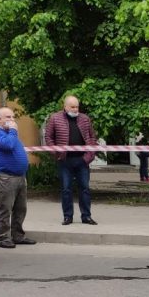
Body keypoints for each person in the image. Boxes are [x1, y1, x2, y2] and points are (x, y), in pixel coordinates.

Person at [44, 95, 99, 225]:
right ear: (65, 106)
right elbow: (48, 137)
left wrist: (89, 156)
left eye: (77, 107)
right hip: (65, 160)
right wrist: (55, 153)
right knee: (66, 189)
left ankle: (86, 216)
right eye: (72, 107)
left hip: (82, 160)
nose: (75, 109)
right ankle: (67, 216)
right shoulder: (55, 118)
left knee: (85, 189)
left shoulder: (85, 119)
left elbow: (92, 138)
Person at [0, 107, 34, 249]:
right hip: (5, 177)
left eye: (13, 117)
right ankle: (3, 238)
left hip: (19, 176)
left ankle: (18, 235)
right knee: (5, 208)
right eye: (8, 117)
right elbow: (8, 145)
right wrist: (13, 131)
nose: (12, 120)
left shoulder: (11, 134)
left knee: (20, 208)